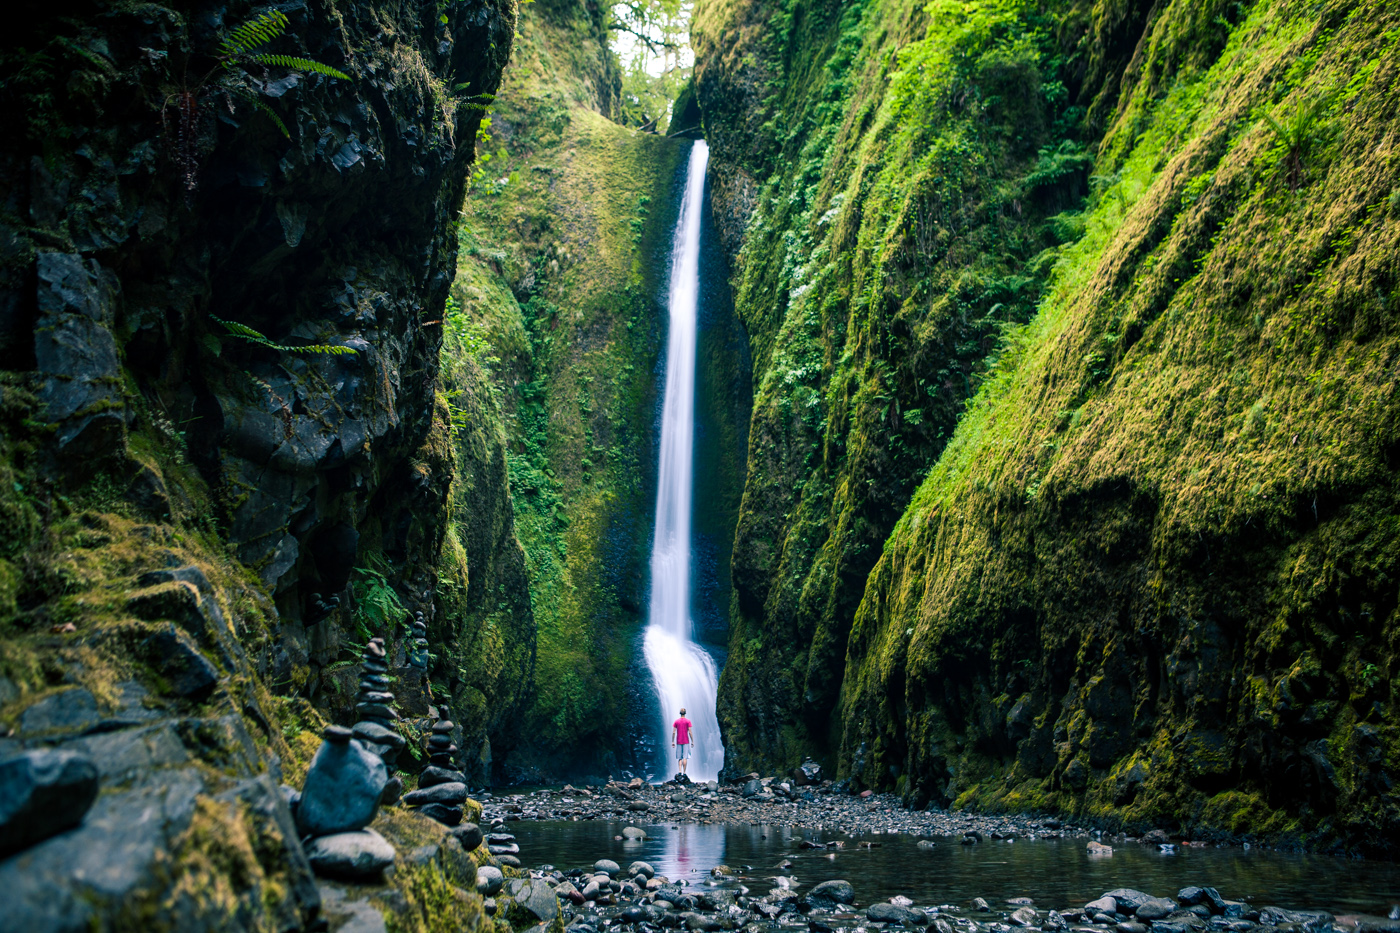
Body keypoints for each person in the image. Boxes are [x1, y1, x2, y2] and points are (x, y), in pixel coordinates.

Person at [672, 708, 693, 775]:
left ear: (680, 713)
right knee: (685, 757)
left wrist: (672, 741)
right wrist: (692, 740)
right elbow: (689, 731)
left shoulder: (676, 721)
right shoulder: (688, 721)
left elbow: (674, 732)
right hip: (686, 741)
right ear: (685, 713)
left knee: (679, 757)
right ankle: (685, 772)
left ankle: (680, 771)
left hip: (678, 741)